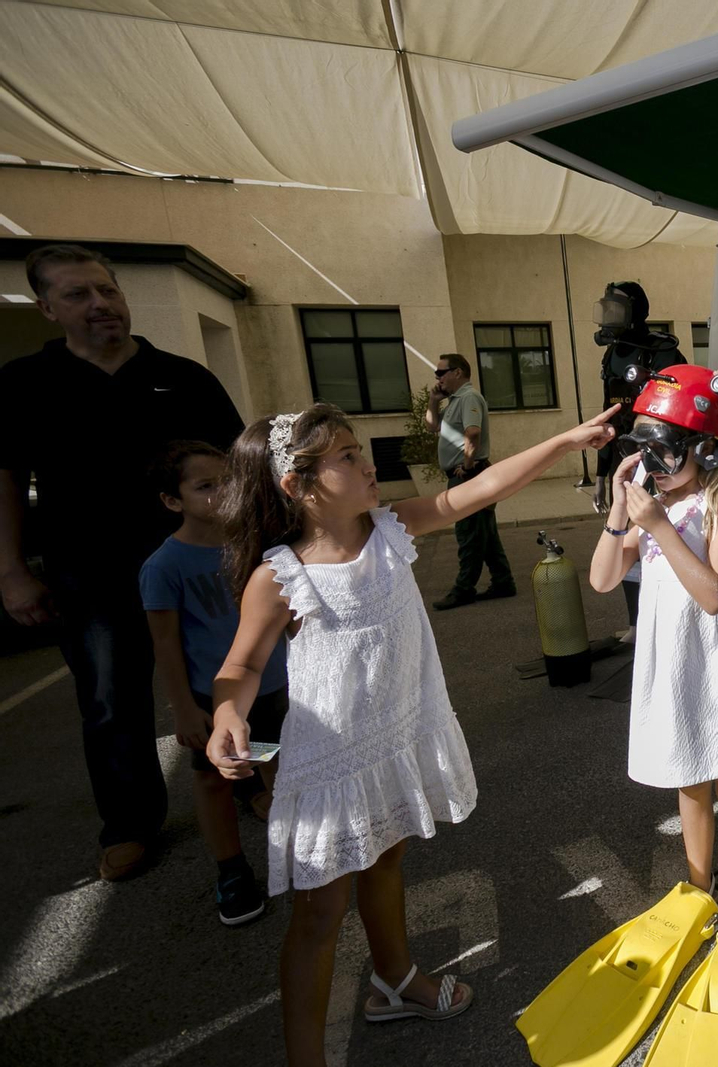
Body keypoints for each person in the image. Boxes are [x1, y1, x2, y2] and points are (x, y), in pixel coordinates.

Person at [206, 401, 617, 1067]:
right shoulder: (279, 575)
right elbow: (242, 665)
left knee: (388, 856)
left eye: (359, 449)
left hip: (395, 734)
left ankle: (394, 981)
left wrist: (565, 440)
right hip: (334, 761)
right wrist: (229, 713)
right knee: (319, 915)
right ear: (297, 485)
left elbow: (482, 488)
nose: (367, 463)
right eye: (346, 455)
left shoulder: (390, 527)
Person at [0, 243, 243, 881]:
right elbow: (7, 479)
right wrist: (12, 570)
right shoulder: (24, 384)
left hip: (200, 573)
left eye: (107, 290)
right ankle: (130, 823)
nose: (100, 304)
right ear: (47, 307)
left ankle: (244, 779)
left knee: (230, 682)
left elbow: (239, 471)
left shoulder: (184, 377)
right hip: (93, 578)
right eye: (78, 294)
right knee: (111, 701)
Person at [588, 365, 718, 908]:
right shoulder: (648, 502)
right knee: (689, 781)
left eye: (665, 451)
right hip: (671, 659)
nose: (654, 467)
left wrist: (660, 527)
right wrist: (622, 509)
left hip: (714, 660)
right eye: (644, 452)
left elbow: (714, 596)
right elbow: (601, 580)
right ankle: (698, 887)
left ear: (706, 448)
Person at [140, 440, 290, 926]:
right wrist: (184, 707)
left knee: (282, 769)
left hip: (276, 688)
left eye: (226, 480)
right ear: (172, 500)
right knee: (213, 782)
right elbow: (165, 645)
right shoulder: (164, 567)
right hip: (213, 698)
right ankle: (231, 870)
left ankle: (305, 858)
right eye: (205, 486)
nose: (222, 492)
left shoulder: (257, 543)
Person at [592, 281, 686, 640]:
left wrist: (670, 463)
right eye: (605, 309)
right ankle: (637, 621)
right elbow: (609, 413)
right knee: (622, 539)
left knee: (664, 533)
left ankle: (671, 610)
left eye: (615, 309)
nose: (607, 318)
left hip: (659, 457)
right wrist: (603, 472)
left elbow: (680, 408)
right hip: (623, 457)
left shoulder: (662, 353)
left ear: (635, 312)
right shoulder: (612, 353)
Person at [422, 352, 516, 611]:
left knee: (469, 535)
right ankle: (503, 582)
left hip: (468, 476)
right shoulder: (453, 400)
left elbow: (473, 433)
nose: (437, 377)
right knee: (484, 533)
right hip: (465, 476)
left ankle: (463, 589)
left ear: (458, 373)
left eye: (441, 372)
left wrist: (467, 465)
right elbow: (432, 427)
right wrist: (433, 401)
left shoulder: (469, 397)